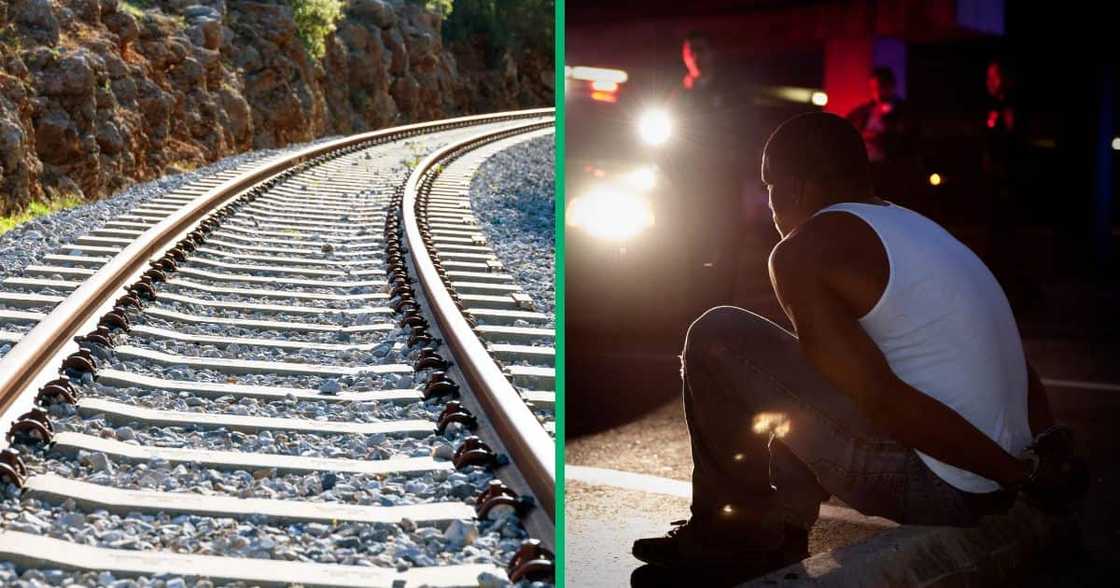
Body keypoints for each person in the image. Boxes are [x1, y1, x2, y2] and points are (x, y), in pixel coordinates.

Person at [630, 113, 1087, 585]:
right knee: (813, 364)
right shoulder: (921, 230)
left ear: (791, 189)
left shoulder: (804, 249)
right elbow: (1018, 363)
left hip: (948, 484)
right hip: (992, 475)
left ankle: (729, 537)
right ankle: (783, 527)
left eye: (768, 188)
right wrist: (1033, 457)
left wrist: (1017, 475)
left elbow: (881, 399)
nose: (769, 205)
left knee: (716, 334)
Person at [667, 31, 757, 305]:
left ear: (713, 54)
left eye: (701, 50)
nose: (696, 57)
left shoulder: (731, 92)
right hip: (690, 181)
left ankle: (723, 303)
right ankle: (694, 304)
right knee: (691, 240)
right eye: (690, 51)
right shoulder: (680, 94)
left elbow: (747, 130)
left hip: (723, 177)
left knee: (726, 240)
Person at [846, 67, 918, 206]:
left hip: (891, 168)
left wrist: (881, 136)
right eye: (873, 88)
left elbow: (906, 137)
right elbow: (849, 128)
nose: (876, 92)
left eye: (879, 87)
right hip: (868, 167)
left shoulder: (902, 111)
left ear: (890, 87)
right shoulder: (865, 111)